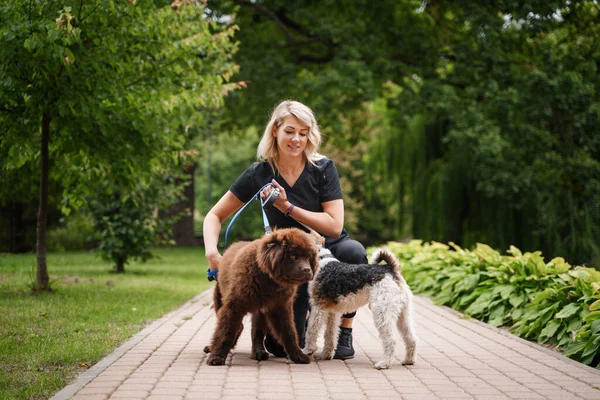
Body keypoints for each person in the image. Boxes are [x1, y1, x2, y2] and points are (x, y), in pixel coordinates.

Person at [203, 100, 367, 360]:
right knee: (281, 347)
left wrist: (287, 207)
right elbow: (214, 215)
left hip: (325, 246)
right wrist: (212, 253)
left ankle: (344, 331)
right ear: (275, 132)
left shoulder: (323, 169)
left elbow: (335, 226)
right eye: (290, 131)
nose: (296, 139)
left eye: (303, 133)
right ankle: (307, 316)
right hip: (287, 257)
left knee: (354, 253)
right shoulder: (259, 173)